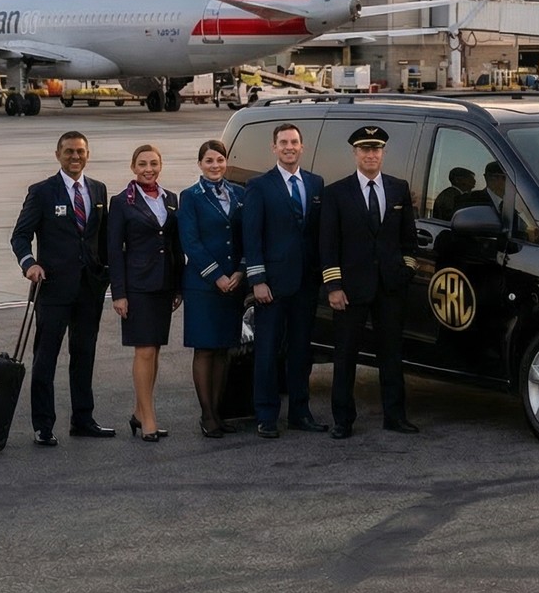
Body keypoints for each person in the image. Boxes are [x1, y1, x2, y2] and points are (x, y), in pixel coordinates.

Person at [10, 130, 115, 446]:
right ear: (58, 155)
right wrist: (30, 264)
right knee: (46, 357)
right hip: (53, 287)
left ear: (88, 155)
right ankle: (43, 425)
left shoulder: (97, 190)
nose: (75, 157)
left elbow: (102, 237)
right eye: (69, 151)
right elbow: (20, 235)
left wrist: (107, 273)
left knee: (84, 354)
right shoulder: (42, 192)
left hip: (89, 288)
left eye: (80, 152)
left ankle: (83, 419)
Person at [320, 124, 419, 438]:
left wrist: (407, 270)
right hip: (350, 289)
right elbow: (327, 244)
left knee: (391, 354)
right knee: (345, 355)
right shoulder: (336, 192)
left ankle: (395, 416)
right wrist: (334, 286)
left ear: (383, 153)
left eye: (376, 149)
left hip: (390, 287)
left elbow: (409, 239)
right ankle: (343, 420)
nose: (371, 155)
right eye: (365, 149)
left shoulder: (398, 188)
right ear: (355, 153)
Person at [241, 123, 328, 438]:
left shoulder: (315, 184)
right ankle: (266, 415)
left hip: (306, 283)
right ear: (274, 148)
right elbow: (251, 237)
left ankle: (299, 413)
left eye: (294, 142)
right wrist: (258, 279)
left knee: (301, 352)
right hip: (273, 285)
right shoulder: (259, 185)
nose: (289, 147)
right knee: (267, 351)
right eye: (283, 143)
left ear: (302, 147)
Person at [107, 144, 183, 442]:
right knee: (145, 350)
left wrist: (178, 286)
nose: (148, 169)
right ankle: (149, 419)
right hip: (137, 286)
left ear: (160, 165)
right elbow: (114, 251)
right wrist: (119, 293)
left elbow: (175, 246)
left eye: (153, 163)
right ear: (133, 167)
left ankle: (140, 412)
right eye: (142, 164)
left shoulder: (171, 199)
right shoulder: (121, 202)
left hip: (164, 284)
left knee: (156, 351)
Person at [179, 140, 245, 438]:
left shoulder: (239, 194)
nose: (215, 165)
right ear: (200, 164)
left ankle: (218, 413)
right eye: (209, 161)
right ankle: (206, 414)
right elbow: (191, 242)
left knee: (223, 349)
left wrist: (241, 271)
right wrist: (216, 275)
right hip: (204, 285)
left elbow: (248, 236)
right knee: (205, 348)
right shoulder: (190, 197)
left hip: (233, 284)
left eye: (219, 160)